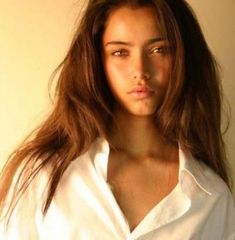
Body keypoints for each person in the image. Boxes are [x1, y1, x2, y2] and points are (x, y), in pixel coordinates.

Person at [0, 0, 235, 239]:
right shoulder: (44, 174)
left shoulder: (211, 197)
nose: (140, 70)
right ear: (97, 62)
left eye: (159, 49)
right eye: (120, 52)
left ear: (183, 58)